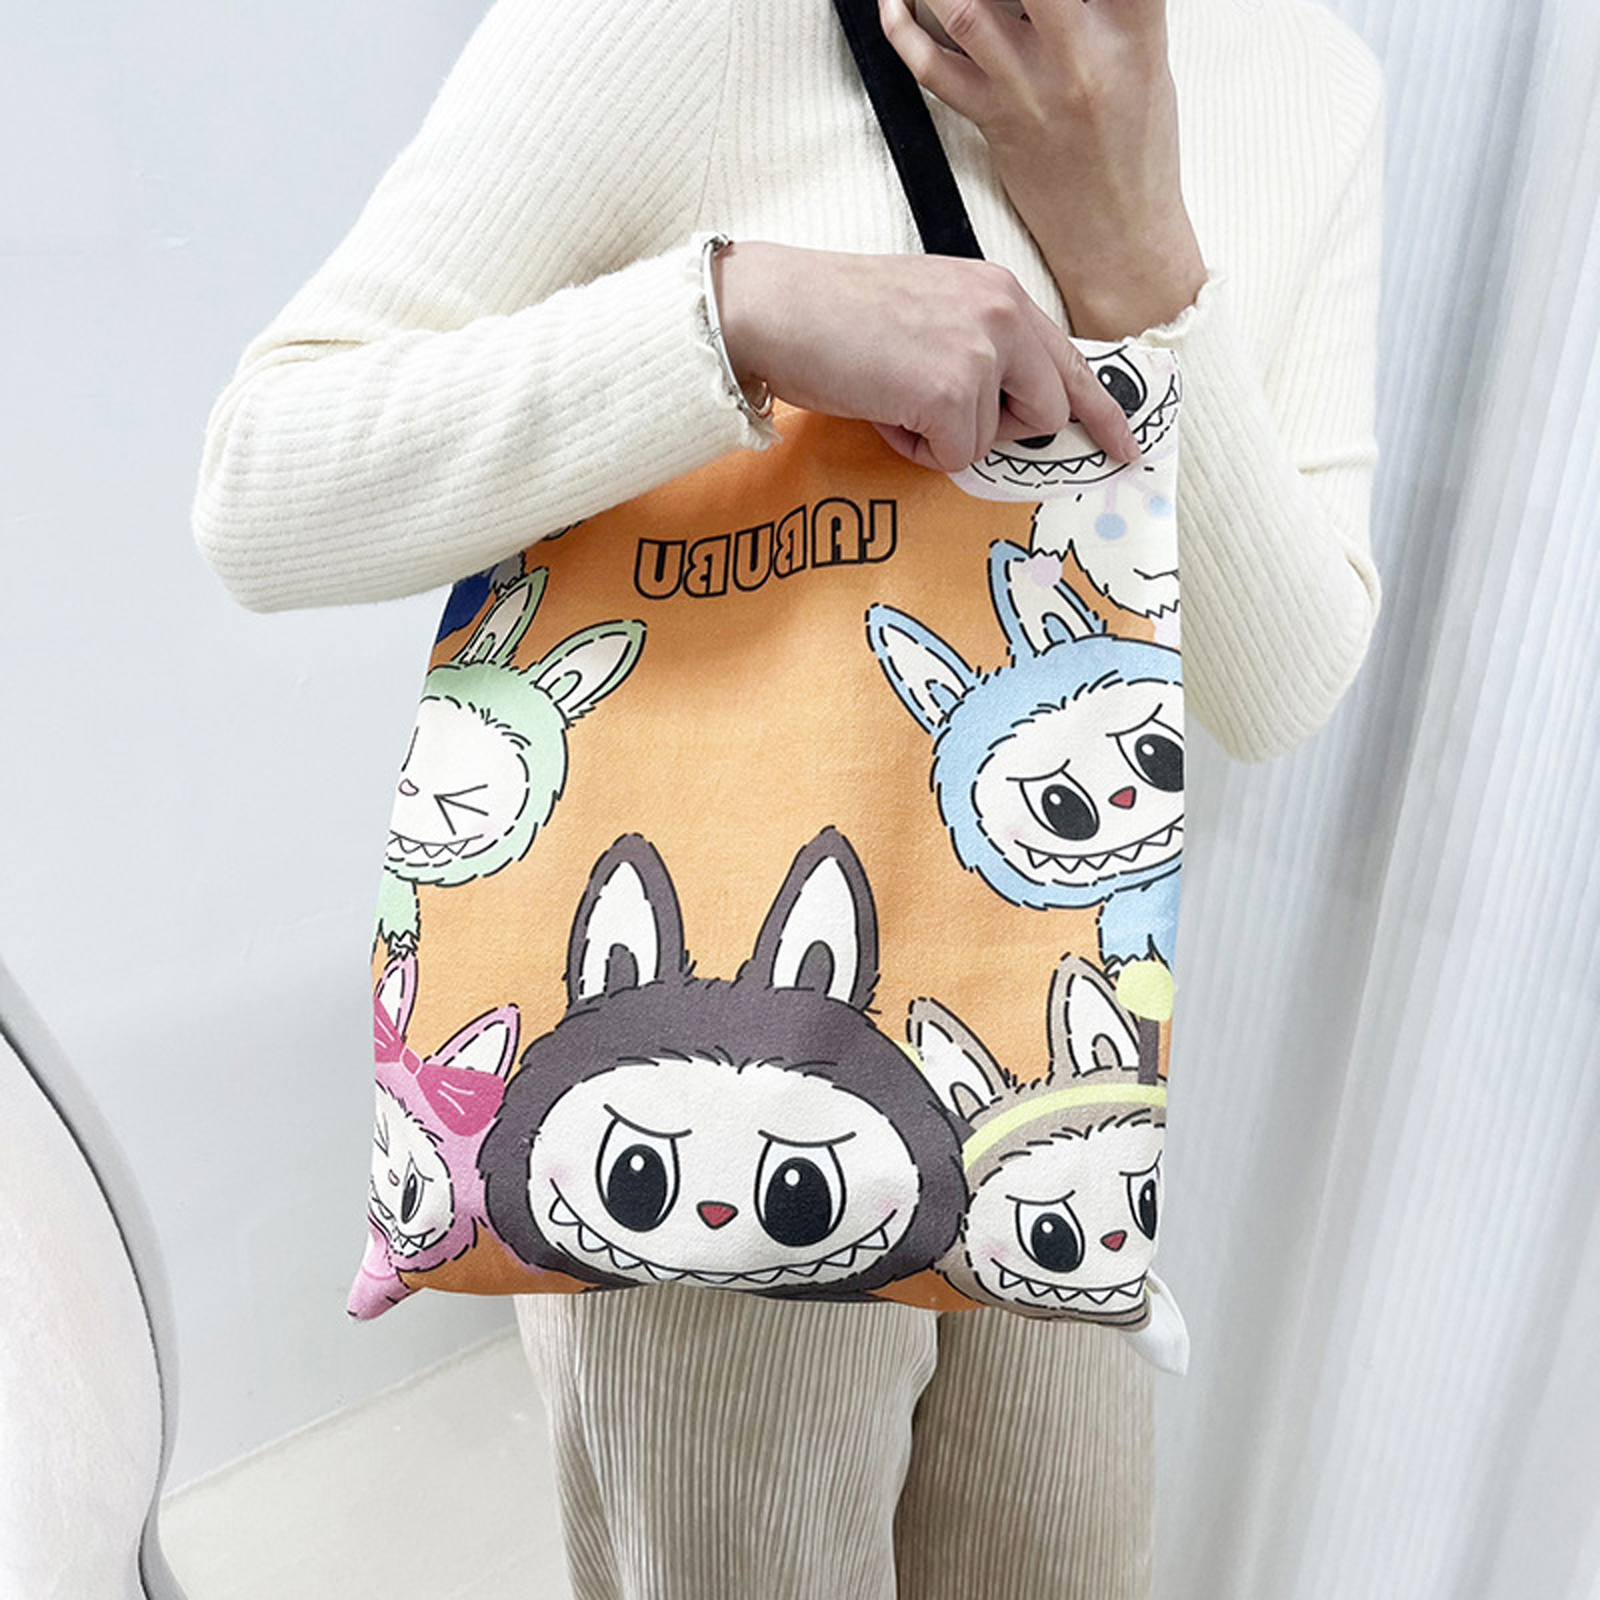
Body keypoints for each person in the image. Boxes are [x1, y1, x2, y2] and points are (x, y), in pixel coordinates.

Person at [193, 0, 1384, 1595]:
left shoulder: (1309, 70)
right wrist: (734, 314)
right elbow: (263, 483)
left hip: (1044, 1065)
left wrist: (1133, 241)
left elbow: (1276, 689)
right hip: (695, 1110)